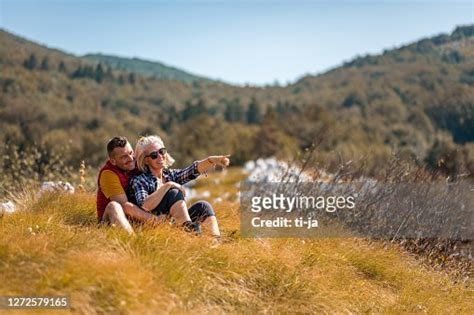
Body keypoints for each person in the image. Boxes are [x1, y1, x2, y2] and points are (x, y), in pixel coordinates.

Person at [128, 135, 230, 237]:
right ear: (146, 160)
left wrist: (210, 160)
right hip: (157, 227)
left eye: (162, 151)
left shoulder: (169, 175)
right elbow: (145, 205)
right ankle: (190, 232)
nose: (160, 156)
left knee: (203, 206)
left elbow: (192, 171)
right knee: (173, 193)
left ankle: (215, 242)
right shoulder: (140, 180)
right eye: (154, 155)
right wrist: (168, 185)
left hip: (173, 223)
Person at [96, 136, 191, 234]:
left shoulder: (135, 165)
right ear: (113, 161)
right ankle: (131, 242)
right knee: (114, 206)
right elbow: (125, 206)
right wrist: (155, 220)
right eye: (124, 157)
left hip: (135, 221)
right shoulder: (108, 174)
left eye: (130, 153)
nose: (130, 158)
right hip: (111, 222)